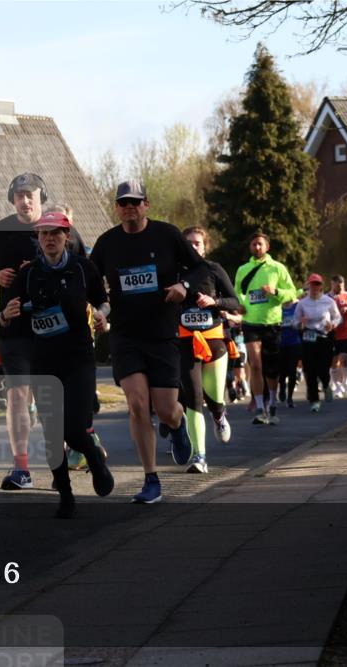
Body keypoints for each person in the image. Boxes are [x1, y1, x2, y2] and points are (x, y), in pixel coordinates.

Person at [90, 181, 206, 504]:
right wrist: (100, 309)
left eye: (135, 202)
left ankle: (178, 424)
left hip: (162, 334)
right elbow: (88, 280)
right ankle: (151, 478)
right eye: (123, 202)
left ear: (146, 204)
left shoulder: (167, 235)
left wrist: (184, 286)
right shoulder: (107, 243)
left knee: (166, 410)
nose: (129, 207)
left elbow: (200, 268)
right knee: (138, 405)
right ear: (117, 207)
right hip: (125, 336)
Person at [0, 173, 87, 490]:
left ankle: (61, 465)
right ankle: (21, 468)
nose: (24, 200)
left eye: (30, 195)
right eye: (19, 195)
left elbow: (84, 270)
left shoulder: (62, 227)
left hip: (55, 330)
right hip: (16, 328)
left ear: (41, 197)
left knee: (53, 398)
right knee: (17, 395)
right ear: (12, 200)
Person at [0, 211, 113, 517]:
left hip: (78, 357)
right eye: (44, 234)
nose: (49, 239)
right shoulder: (28, 273)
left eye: (55, 233)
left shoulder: (83, 268)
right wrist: (6, 315)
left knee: (74, 426)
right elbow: (7, 314)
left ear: (66, 236)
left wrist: (101, 315)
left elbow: (103, 301)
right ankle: (65, 495)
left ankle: (93, 456)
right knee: (52, 432)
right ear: (38, 239)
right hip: (44, 360)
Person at [178, 226, 238, 474]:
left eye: (198, 243)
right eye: (189, 243)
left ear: (205, 247)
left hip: (214, 340)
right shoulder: (174, 271)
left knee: (214, 398)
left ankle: (219, 415)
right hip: (185, 341)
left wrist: (215, 301)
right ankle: (199, 456)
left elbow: (236, 302)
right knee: (193, 398)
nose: (193, 247)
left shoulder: (214, 269)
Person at [233, 232, 296, 425]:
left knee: (271, 368)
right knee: (255, 364)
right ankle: (260, 408)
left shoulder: (277, 268)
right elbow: (237, 292)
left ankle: (273, 403)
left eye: (260, 244)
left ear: (267, 247)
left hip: (272, 323)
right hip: (251, 322)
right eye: (254, 244)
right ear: (250, 247)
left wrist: (275, 291)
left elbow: (292, 293)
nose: (257, 247)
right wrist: (240, 304)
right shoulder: (243, 269)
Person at [292, 274, 342, 412]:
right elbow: (294, 322)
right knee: (310, 369)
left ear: (321, 286)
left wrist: (332, 324)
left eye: (317, 284)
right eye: (312, 284)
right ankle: (314, 400)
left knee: (323, 367)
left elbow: (338, 317)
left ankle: (326, 385)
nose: (315, 287)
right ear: (309, 286)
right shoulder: (302, 303)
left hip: (324, 337)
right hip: (308, 338)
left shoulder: (328, 301)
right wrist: (300, 324)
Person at [277, 298, 302, 408]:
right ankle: (282, 388)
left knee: (292, 371)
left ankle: (290, 398)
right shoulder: (277, 307)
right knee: (282, 371)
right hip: (281, 343)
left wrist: (299, 324)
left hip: (294, 342)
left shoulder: (297, 306)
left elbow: (302, 320)